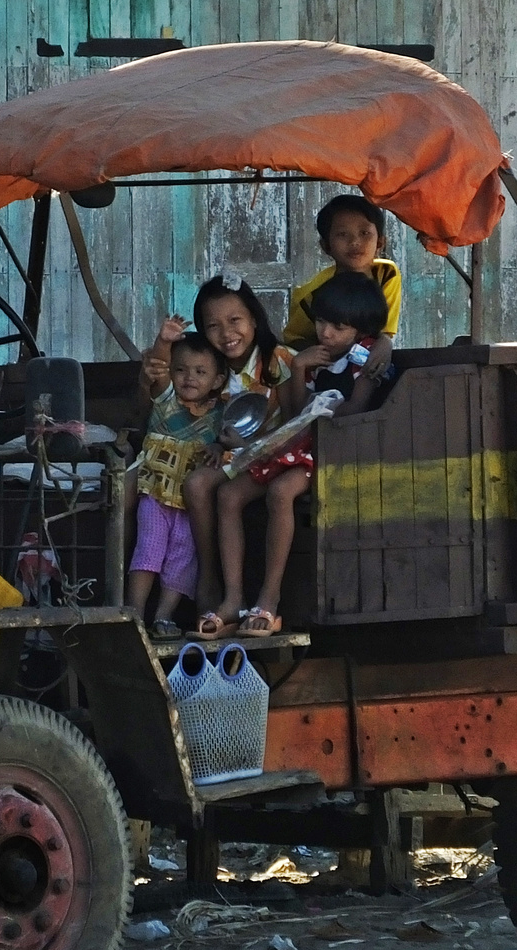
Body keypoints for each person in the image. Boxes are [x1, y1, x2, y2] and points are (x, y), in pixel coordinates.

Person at [212, 272, 390, 638]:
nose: (325, 332)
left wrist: (317, 412)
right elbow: (294, 414)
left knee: (281, 493)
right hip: (299, 446)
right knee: (229, 494)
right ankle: (232, 599)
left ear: (360, 328)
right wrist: (298, 369)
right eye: (321, 321)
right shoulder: (318, 355)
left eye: (337, 326)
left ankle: (270, 598)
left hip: (335, 451)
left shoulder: (365, 358)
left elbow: (353, 412)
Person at [143, 276, 297, 639]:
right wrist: (217, 444)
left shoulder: (278, 360)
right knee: (196, 483)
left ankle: (257, 596)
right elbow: (197, 413)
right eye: (212, 325)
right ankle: (212, 583)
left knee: (226, 493)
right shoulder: (216, 368)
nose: (226, 333)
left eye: (235, 320)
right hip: (237, 458)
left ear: (254, 319)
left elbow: (294, 422)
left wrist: (258, 440)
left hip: (276, 456)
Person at [127, 332, 230, 639]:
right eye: (181, 369)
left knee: (182, 559)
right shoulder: (166, 400)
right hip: (155, 495)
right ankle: (133, 614)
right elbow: (157, 367)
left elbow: (227, 444)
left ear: (217, 380)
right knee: (149, 549)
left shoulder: (220, 413)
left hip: (190, 506)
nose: (189, 378)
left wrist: (217, 447)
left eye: (200, 372)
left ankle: (163, 617)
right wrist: (163, 340)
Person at [282, 194, 400, 380]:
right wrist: (325, 355)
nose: (355, 242)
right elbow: (293, 340)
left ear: (380, 242)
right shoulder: (310, 295)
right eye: (342, 234)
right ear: (325, 246)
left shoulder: (387, 275)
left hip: (365, 369)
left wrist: (385, 342)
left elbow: (384, 331)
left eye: (364, 233)